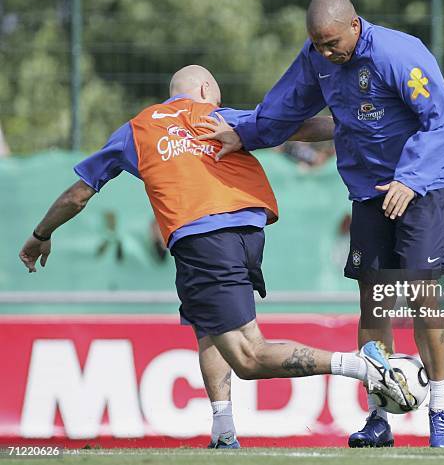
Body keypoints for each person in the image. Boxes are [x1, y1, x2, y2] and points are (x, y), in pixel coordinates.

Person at [18, 65, 409, 448]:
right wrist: (355, 123)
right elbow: (293, 126)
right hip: (247, 231)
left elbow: (78, 194)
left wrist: (41, 234)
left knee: (248, 356)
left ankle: (362, 366)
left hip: (201, 239)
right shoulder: (219, 116)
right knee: (208, 329)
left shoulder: (136, 129)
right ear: (205, 90)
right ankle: (223, 431)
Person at [197, 0, 444, 448]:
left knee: (422, 295)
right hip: (368, 194)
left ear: (355, 26)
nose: (325, 52)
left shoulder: (400, 54)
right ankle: (379, 417)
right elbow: (283, 109)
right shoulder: (316, 58)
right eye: (317, 44)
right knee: (373, 303)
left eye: (332, 42)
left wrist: (410, 178)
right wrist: (243, 133)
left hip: (426, 189)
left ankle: (440, 408)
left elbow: (441, 122)